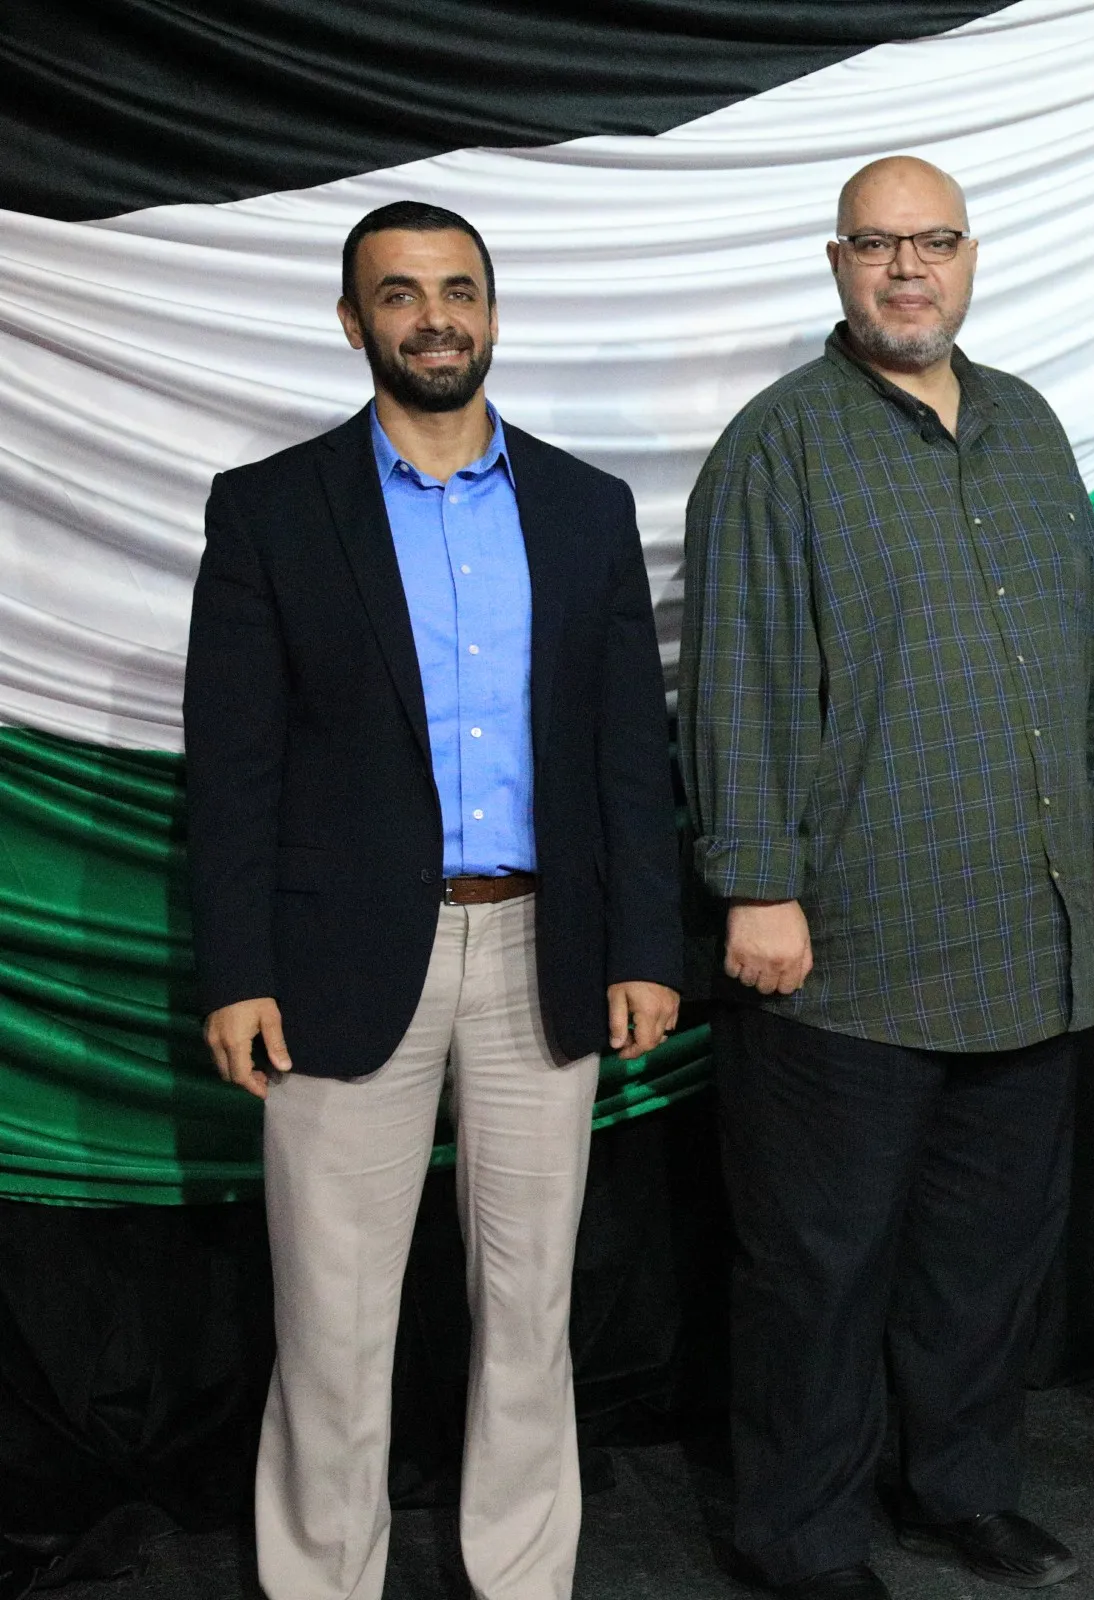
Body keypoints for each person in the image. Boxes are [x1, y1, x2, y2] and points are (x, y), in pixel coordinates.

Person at [184, 200, 684, 1600]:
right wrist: (237, 969)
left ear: (494, 313)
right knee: (333, 1318)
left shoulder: (585, 508)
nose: (434, 316)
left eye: (458, 289)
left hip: (544, 946)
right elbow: (234, 766)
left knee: (529, 1306)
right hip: (335, 960)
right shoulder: (271, 509)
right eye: (399, 293)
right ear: (354, 323)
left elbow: (627, 752)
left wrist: (647, 942)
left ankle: (520, 1577)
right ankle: (320, 1580)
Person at [679, 156, 1094, 1599]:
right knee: (819, 1268)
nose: (908, 269)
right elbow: (735, 680)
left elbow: (1085, 650)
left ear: (970, 256)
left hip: (1026, 935)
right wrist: (756, 883)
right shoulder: (778, 444)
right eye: (878, 246)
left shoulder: (1029, 424)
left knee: (984, 1261)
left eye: (933, 242)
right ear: (837, 265)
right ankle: (802, 1537)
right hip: (847, 950)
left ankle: (961, 1488)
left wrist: (1088, 837)